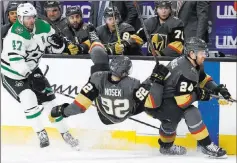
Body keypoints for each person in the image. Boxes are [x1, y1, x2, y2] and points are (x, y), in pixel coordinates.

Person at [1, 3, 79, 149]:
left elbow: (56, 48)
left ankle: (65, 133)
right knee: (28, 97)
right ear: (19, 18)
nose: (31, 21)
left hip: (32, 69)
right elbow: (17, 62)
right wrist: (31, 76)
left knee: (50, 104)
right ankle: (40, 133)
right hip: (12, 74)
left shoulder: (43, 26)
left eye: (33, 17)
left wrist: (59, 45)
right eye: (27, 18)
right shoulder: (14, 35)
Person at [145, 37, 231, 158]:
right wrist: (201, 95)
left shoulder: (191, 62)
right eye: (202, 53)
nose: (204, 55)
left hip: (161, 99)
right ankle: (207, 146)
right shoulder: (187, 71)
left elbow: (202, 78)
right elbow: (183, 102)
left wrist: (217, 89)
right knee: (191, 112)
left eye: (205, 52)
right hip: (157, 102)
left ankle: (166, 147)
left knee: (171, 120)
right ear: (192, 53)